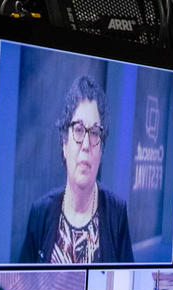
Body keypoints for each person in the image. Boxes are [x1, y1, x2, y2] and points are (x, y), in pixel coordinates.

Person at [19, 75, 134, 264]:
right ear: (64, 143)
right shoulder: (40, 213)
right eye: (79, 130)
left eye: (95, 132)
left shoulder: (117, 213)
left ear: (102, 149)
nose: (87, 144)